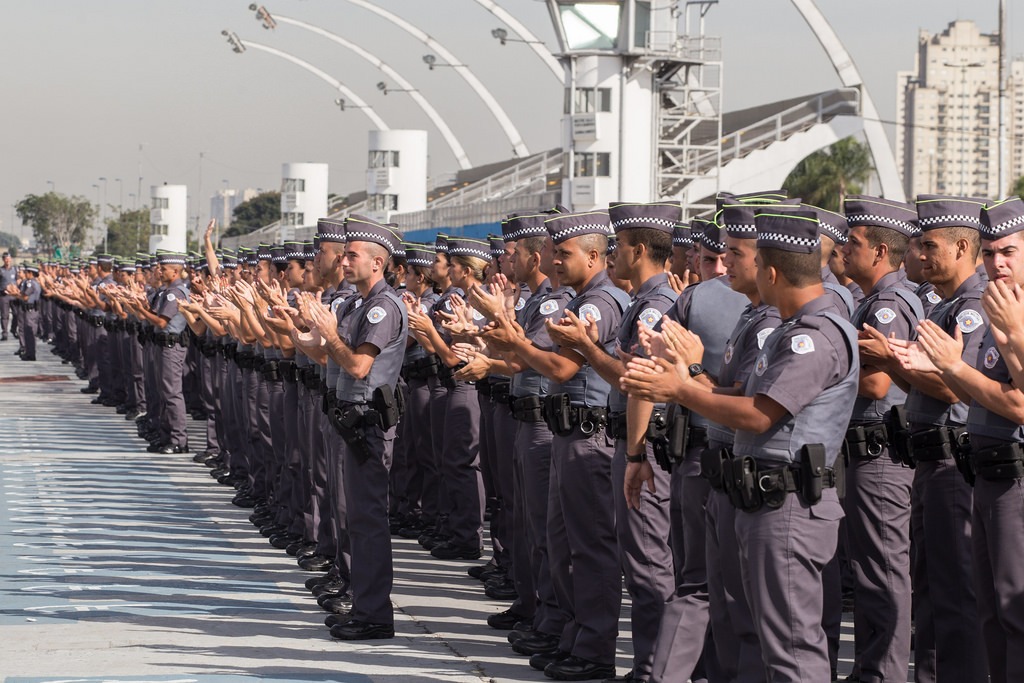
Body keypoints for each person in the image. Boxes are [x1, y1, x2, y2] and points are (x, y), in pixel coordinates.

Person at [624, 206, 859, 681]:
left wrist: (682, 389)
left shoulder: (813, 337)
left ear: (770, 272)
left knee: (791, 650)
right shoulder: (789, 330)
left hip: (788, 505)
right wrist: (684, 378)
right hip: (762, 499)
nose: (728, 265)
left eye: (737, 255)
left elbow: (758, 414)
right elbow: (742, 394)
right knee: (755, 637)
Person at [903, 196, 1024, 683]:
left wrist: (951, 367)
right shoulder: (1001, 308)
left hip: (1013, 478)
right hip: (985, 474)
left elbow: (1017, 405)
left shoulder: (1007, 313)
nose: (996, 264)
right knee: (990, 616)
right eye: (991, 253)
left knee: (1011, 615)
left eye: (1009, 253)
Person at [877, 195, 989, 683]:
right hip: (929, 459)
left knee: (954, 592)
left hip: (951, 462)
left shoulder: (971, 310)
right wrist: (899, 364)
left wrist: (894, 362)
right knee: (931, 588)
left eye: (927, 246)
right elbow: (925, 389)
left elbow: (953, 387)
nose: (916, 255)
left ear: (961, 246)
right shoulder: (945, 307)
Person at [300, 216, 408, 641]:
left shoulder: (383, 307)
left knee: (367, 522)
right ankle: (364, 604)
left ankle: (375, 615)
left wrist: (329, 335)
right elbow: (327, 355)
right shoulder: (360, 304)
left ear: (377, 263)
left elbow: (359, 366)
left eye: (352, 254)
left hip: (368, 426)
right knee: (353, 519)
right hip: (351, 424)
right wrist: (301, 330)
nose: (344, 261)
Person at [838, 195, 923, 683]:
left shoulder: (887, 306)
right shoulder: (870, 300)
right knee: (869, 568)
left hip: (880, 451)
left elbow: (877, 383)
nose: (846, 251)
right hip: (865, 449)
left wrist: (828, 368)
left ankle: (884, 672)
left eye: (854, 243)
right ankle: (872, 667)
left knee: (883, 570)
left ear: (882, 253)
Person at [17, 264, 41, 360]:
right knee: (28, 332)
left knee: (30, 332)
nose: (25, 274)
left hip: (31, 310)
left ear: (31, 273)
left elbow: (25, 297)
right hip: (30, 309)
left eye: (26, 272)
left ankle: (31, 354)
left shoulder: (31, 284)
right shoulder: (32, 282)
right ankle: (29, 352)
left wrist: (14, 294)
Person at [0, 252, 17, 341]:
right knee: (4, 315)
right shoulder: (1, 270)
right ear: (3, 260)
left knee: (16, 314)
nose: (7, 260)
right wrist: (3, 289)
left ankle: (14, 329)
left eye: (9, 258)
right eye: (6, 258)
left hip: (14, 295)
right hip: (3, 295)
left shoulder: (15, 270)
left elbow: (18, 281)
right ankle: (4, 333)